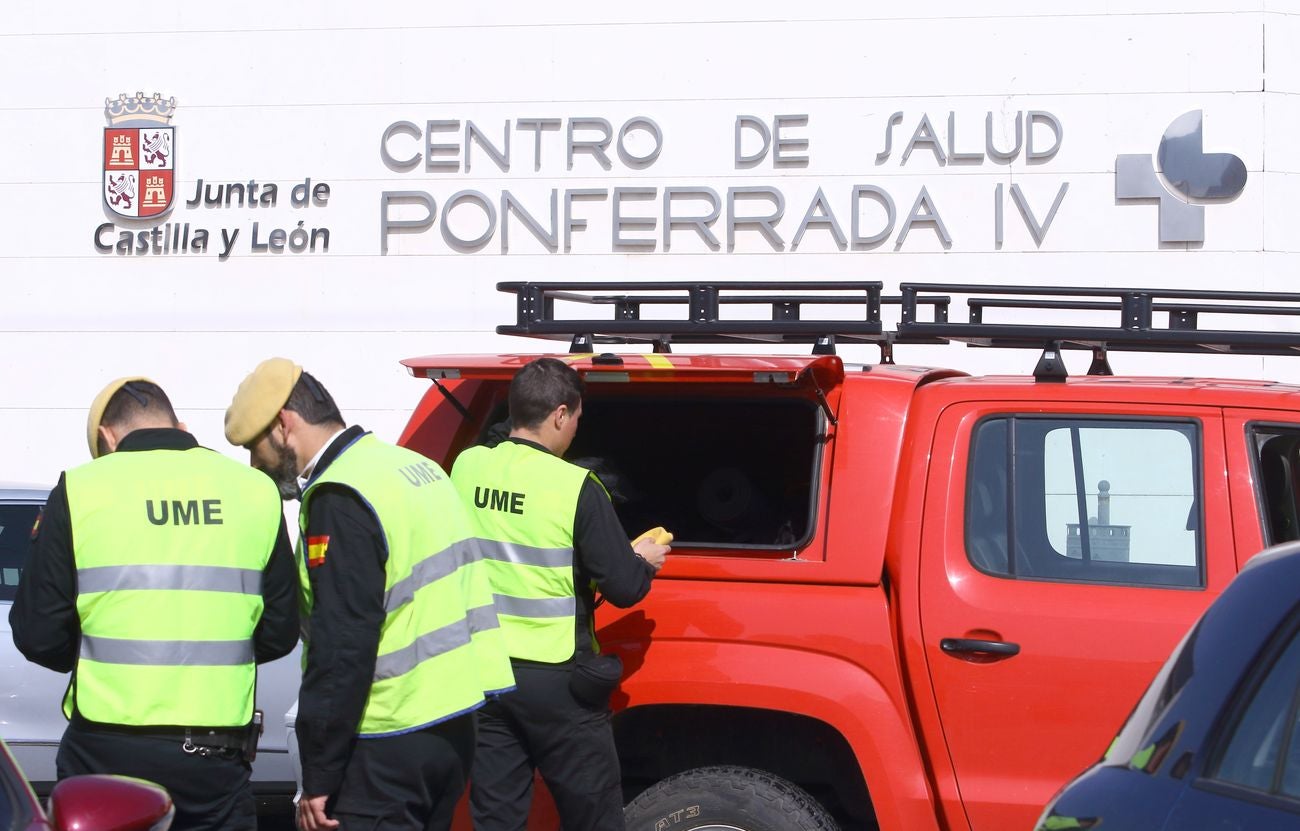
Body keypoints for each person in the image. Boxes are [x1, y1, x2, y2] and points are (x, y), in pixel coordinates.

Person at [224, 358, 513, 831]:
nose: (255, 463)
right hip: (452, 727)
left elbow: (342, 646)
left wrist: (319, 774)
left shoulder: (341, 495)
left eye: (254, 447)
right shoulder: (414, 467)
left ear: (283, 424)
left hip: (385, 739)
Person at [10, 376, 300, 830]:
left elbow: (38, 633)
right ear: (179, 425)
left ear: (107, 437)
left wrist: (102, 656)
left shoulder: (81, 488)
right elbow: (281, 630)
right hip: (214, 759)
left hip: (107, 753)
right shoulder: (254, 491)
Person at [450, 357, 670, 831]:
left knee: (495, 816)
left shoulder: (466, 468)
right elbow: (625, 586)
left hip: (486, 673)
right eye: (576, 420)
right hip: (557, 683)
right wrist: (643, 559)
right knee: (593, 818)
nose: (574, 432)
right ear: (560, 415)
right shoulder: (576, 487)